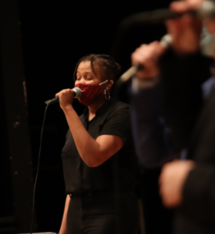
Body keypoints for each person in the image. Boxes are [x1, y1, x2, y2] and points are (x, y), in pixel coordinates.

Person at [130, 0, 215, 232]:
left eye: (197, 14)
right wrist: (150, 82)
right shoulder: (200, 82)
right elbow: (156, 151)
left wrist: (192, 184)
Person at [56, 54, 139, 234]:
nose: (80, 83)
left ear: (107, 84)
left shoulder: (121, 113)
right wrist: (63, 229)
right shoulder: (77, 123)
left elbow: (95, 157)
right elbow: (73, 184)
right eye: (78, 77)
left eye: (88, 77)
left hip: (109, 210)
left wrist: (67, 108)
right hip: (76, 212)